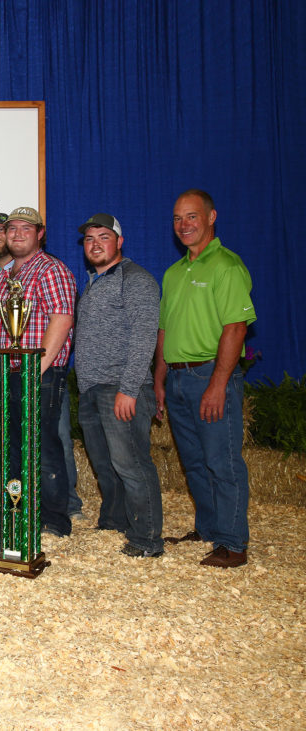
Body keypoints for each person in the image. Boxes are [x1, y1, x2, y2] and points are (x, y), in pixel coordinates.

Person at [154, 190, 255, 568]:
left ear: (212, 217)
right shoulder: (175, 272)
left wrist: (217, 383)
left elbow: (235, 328)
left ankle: (233, 543)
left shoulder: (227, 266)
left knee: (222, 461)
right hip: (178, 378)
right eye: (178, 218)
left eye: (192, 217)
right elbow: (165, 331)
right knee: (194, 462)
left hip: (210, 375)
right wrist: (159, 380)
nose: (184, 225)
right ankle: (210, 528)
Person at [74, 214, 164, 558]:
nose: (95, 244)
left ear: (119, 242)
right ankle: (114, 522)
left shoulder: (136, 279)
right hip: (93, 388)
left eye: (103, 237)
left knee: (132, 464)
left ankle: (147, 540)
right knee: (105, 463)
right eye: (89, 239)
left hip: (121, 388)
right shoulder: (95, 281)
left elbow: (144, 336)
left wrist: (129, 388)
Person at [0, 206, 77, 538]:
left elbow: (62, 318)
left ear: (40, 234)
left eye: (27, 228)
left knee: (43, 445)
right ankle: (17, 512)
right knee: (10, 447)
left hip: (40, 373)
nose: (18, 233)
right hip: (4, 373)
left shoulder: (51, 269)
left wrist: (36, 369)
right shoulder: (4, 276)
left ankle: (54, 519)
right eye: (12, 228)